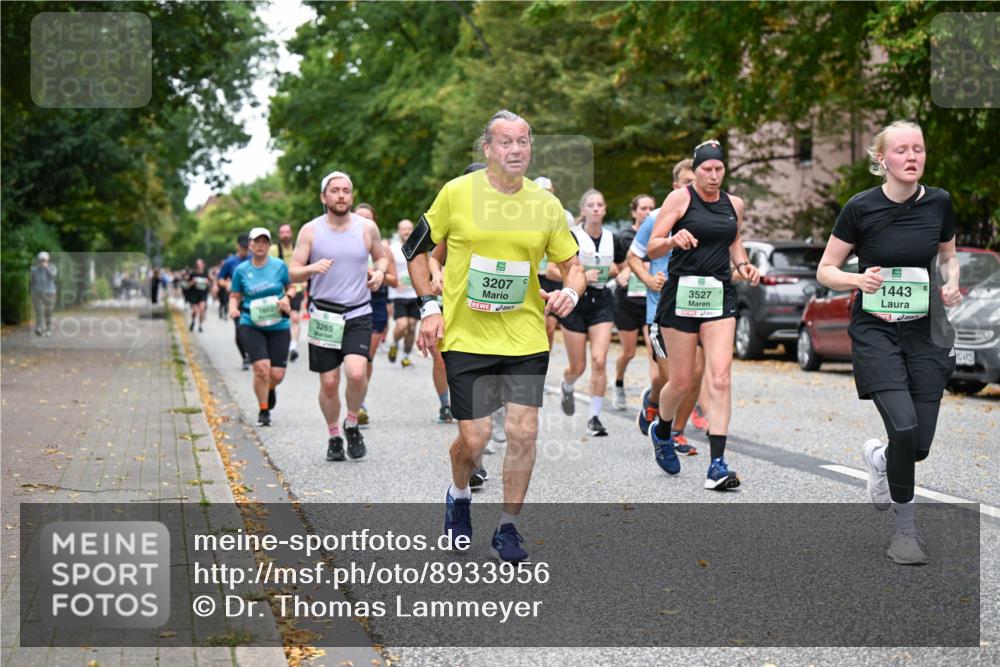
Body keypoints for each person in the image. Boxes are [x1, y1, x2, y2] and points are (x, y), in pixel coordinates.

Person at [404, 110, 584, 562]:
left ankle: (509, 527)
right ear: (487, 149)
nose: (516, 150)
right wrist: (429, 306)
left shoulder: (545, 206)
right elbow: (416, 250)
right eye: (506, 142)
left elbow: (574, 267)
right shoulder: (457, 193)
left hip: (524, 338)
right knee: (476, 438)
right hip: (467, 337)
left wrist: (571, 295)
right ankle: (458, 495)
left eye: (524, 141)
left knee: (523, 432)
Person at [816, 120, 960, 565]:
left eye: (918, 148)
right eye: (902, 150)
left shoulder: (939, 202)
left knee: (918, 445)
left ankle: (880, 460)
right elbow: (826, 269)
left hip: (927, 332)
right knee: (903, 426)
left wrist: (951, 283)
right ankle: (905, 534)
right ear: (882, 159)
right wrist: (856, 278)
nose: (912, 157)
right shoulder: (860, 208)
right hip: (876, 330)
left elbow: (948, 256)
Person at [647, 140, 760, 489]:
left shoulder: (734, 204)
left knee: (721, 377)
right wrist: (671, 240)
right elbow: (653, 245)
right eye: (706, 170)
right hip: (680, 295)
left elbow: (734, 241)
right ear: (695, 172)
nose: (713, 176)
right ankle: (662, 429)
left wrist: (744, 265)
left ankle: (718, 464)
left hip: (719, 296)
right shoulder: (680, 199)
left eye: (719, 169)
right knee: (681, 382)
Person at [289, 171, 389, 462]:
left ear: (352, 196)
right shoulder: (310, 230)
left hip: (358, 311)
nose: (342, 195)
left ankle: (352, 422)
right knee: (329, 382)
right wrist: (311, 269)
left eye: (346, 190)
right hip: (324, 315)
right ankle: (334, 434)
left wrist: (380, 273)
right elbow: (293, 269)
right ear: (324, 197)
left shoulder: (367, 228)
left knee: (357, 373)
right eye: (335, 190)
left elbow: (381, 257)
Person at [629, 160, 702, 455]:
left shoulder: (707, 215)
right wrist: (647, 278)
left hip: (696, 308)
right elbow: (634, 256)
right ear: (675, 187)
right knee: (671, 377)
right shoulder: (656, 217)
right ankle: (653, 401)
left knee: (695, 373)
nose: (693, 188)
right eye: (687, 182)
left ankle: (677, 431)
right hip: (660, 309)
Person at [558, 189, 618, 437]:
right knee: (578, 366)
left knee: (600, 360)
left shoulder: (613, 238)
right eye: (590, 205)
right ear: (583, 210)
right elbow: (553, 269)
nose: (595, 208)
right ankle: (567, 385)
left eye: (599, 204)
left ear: (604, 210)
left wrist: (620, 272)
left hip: (602, 301)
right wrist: (581, 274)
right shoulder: (571, 236)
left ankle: (594, 417)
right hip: (575, 302)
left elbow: (625, 265)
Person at [228, 228, 293, 427]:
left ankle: (271, 388)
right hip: (251, 323)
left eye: (264, 242)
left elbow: (291, 286)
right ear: (250, 245)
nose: (260, 245)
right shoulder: (241, 270)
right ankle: (264, 409)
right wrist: (233, 308)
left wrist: (287, 298)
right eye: (256, 242)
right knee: (261, 369)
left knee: (276, 375)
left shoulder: (279, 266)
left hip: (278, 323)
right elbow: (235, 294)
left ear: (269, 245)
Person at [353, 203, 399, 426]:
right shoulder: (343, 244)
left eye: (368, 219)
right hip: (348, 303)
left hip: (375, 304)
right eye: (359, 217)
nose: (363, 222)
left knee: (365, 358)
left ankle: (359, 401)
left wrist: (376, 274)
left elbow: (395, 280)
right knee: (352, 359)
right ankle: (354, 394)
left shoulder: (383, 249)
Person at [612, 194, 657, 410]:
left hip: (649, 300)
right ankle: (619, 383)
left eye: (651, 208)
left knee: (652, 350)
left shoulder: (658, 234)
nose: (647, 212)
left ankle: (653, 395)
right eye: (643, 208)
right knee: (628, 352)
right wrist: (626, 272)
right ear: (634, 212)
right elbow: (618, 267)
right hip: (627, 302)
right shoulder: (623, 237)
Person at [269, 223, 307, 362]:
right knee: (279, 319)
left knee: (295, 318)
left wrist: (304, 282)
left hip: (295, 288)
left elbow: (305, 265)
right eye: (282, 232)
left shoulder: (298, 249)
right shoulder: (273, 250)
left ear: (291, 233)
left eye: (287, 232)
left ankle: (293, 347)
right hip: (279, 290)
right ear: (279, 235)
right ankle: (278, 345)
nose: (285, 234)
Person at [387, 219, 421, 368]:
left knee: (412, 327)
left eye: (409, 229)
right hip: (398, 294)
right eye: (403, 229)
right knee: (402, 325)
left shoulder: (419, 247)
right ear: (398, 231)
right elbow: (387, 267)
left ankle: (406, 357)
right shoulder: (392, 249)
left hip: (415, 293)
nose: (406, 232)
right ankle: (394, 344)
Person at [218, 234, 252, 369]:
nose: (245, 250)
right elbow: (220, 278)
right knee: (239, 331)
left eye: (246, 247)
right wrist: (226, 285)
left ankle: (254, 353)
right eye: (242, 247)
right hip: (236, 301)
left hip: (252, 300)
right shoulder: (230, 261)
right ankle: (245, 356)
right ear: (237, 246)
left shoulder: (253, 258)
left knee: (252, 329)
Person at [30, 251, 58, 336]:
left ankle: (48, 329)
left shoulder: (52, 267)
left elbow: (53, 275)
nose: (42, 262)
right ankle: (39, 328)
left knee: (48, 311)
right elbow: (32, 281)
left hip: (50, 292)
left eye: (44, 260)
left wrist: (46, 268)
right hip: (37, 293)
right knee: (39, 310)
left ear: (47, 260)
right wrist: (32, 291)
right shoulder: (34, 269)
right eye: (41, 260)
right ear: (38, 260)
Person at [187, 258, 210, 332]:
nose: (199, 266)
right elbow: (188, 285)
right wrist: (193, 282)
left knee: (202, 309)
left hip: (203, 294)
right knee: (194, 311)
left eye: (200, 264)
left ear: (203, 265)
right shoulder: (193, 274)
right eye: (197, 264)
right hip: (194, 294)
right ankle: (193, 321)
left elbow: (210, 283)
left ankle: (200, 325)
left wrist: (207, 283)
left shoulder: (206, 273)